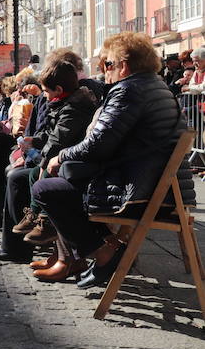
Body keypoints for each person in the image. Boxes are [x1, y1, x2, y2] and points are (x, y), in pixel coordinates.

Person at [33, 32, 196, 288]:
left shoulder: (129, 90)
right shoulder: (155, 86)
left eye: (107, 63)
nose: (104, 69)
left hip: (138, 192)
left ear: (124, 65)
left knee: (46, 187)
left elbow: (98, 144)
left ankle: (102, 252)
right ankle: (96, 249)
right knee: (65, 178)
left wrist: (61, 155)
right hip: (160, 189)